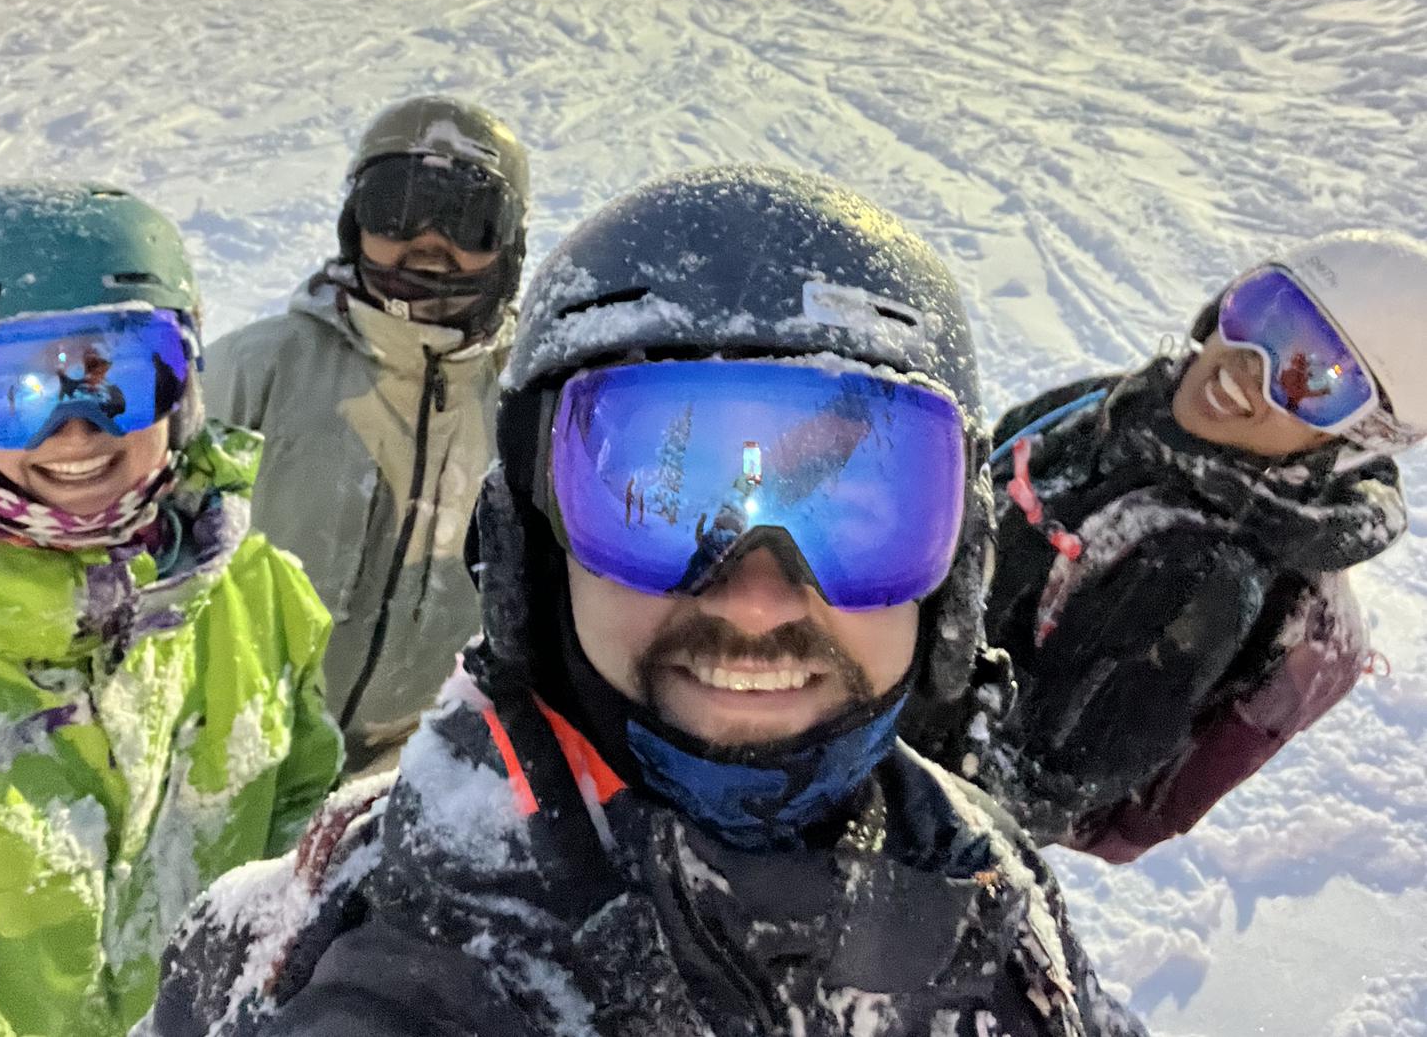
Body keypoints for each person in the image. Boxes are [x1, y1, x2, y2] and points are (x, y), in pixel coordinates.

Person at [147, 167, 1148, 1037]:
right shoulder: (364, 939)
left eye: (852, 514)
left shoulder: (979, 872)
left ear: (953, 566)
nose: (757, 602)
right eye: (661, 506)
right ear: (536, 548)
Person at [0, 183, 341, 1037]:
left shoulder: (254, 595)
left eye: (112, 375)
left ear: (184, 380)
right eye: (9, 388)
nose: (72, 432)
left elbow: (307, 845)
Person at [964, 231, 1427, 858]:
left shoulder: (1200, 580)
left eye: (1310, 379)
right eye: (1263, 314)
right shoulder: (1120, 405)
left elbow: (1023, 796)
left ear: (1351, 440)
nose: (1244, 369)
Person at [205, 97, 529, 773]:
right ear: (357, 221)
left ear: (509, 240)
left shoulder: (530, 405)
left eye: (468, 220)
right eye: (397, 209)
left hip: (421, 773)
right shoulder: (254, 372)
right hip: (237, 760)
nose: (430, 243)